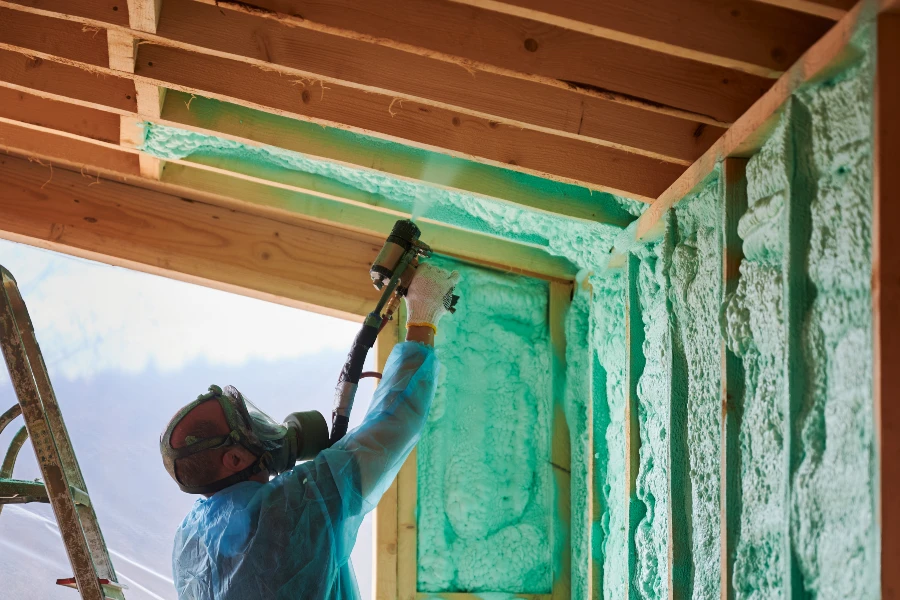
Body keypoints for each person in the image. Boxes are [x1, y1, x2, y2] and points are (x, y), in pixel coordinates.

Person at [159, 263, 460, 600]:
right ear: (234, 458)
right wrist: (423, 311)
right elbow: (392, 424)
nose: (266, 430)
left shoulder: (189, 541)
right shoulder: (290, 506)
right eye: (250, 427)